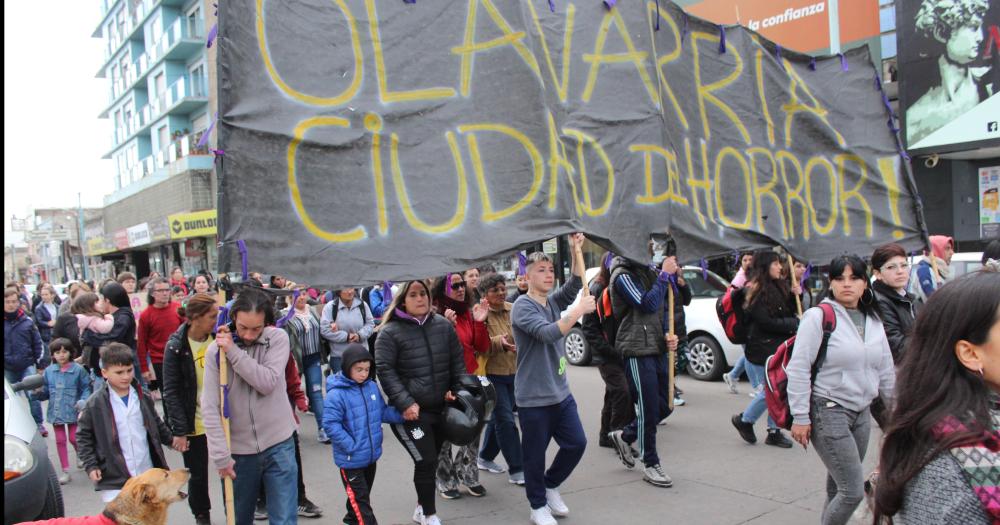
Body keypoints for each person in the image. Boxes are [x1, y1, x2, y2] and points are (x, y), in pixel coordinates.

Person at [873, 268, 999, 524]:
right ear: (971, 353)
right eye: (892, 266)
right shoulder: (951, 476)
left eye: (901, 265)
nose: (900, 271)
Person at [788, 255, 896, 525]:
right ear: (831, 282)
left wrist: (898, 410)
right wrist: (800, 416)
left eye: (854, 278)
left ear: (865, 282)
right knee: (852, 492)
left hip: (862, 412)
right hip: (829, 409)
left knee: (838, 487)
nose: (847, 284)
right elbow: (798, 368)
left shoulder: (873, 318)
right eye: (839, 278)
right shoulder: (818, 317)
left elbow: (885, 369)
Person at [512, 234, 594, 525]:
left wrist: (575, 249)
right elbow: (548, 334)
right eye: (541, 271)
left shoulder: (552, 302)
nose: (548, 275)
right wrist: (578, 311)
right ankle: (537, 506)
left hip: (561, 393)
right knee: (534, 455)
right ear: (527, 276)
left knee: (576, 444)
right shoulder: (523, 306)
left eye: (550, 270)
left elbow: (574, 283)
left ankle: (550, 486)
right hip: (533, 397)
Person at [201, 288, 298, 525]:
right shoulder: (216, 351)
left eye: (256, 328)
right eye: (243, 327)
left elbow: (267, 382)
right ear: (234, 318)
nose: (248, 335)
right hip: (238, 453)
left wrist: (234, 352)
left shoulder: (276, 339)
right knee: (239, 519)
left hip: (279, 444)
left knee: (284, 519)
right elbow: (210, 406)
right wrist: (220, 456)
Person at [375, 279, 467, 525]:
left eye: (423, 293)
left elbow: (457, 363)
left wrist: (455, 391)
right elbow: (385, 370)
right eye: (413, 294)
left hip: (441, 408)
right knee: (425, 459)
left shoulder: (443, 326)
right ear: (403, 300)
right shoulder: (389, 332)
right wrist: (405, 403)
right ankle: (429, 514)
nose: (420, 298)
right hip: (412, 414)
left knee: (432, 459)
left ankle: (420, 507)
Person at [605, 247, 679, 488]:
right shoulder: (623, 275)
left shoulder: (648, 271)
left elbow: (660, 309)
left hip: (655, 345)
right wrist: (663, 276)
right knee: (647, 409)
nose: (651, 250)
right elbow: (646, 304)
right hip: (636, 349)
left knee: (665, 405)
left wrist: (668, 336)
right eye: (646, 246)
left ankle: (625, 435)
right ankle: (650, 463)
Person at [77, 343, 179, 503]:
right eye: (119, 372)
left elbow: (155, 423)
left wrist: (172, 440)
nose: (125, 376)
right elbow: (84, 437)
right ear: (104, 372)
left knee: (150, 513)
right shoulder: (95, 404)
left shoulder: (143, 397)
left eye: (129, 370)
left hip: (146, 468)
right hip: (115, 475)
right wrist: (91, 465)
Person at [323, 344, 405, 525]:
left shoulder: (371, 387)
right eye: (358, 369)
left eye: (367, 369)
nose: (363, 373)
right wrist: (351, 445)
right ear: (347, 367)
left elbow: (382, 412)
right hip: (351, 459)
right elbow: (330, 424)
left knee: (361, 496)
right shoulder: (336, 394)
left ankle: (350, 520)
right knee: (362, 503)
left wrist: (404, 415)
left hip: (370, 456)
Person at [730, 250, 799, 449]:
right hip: (762, 348)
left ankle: (773, 430)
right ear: (765, 266)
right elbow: (766, 321)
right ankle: (746, 420)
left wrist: (798, 296)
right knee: (773, 390)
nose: (780, 267)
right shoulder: (756, 290)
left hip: (777, 347)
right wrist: (795, 323)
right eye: (776, 264)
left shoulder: (779, 286)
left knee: (776, 390)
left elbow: (792, 310)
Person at [431, 272, 490, 499]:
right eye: (455, 285)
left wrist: (480, 322)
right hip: (445, 383)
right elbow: (433, 352)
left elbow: (482, 347)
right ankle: (444, 477)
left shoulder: (467, 311)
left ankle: (467, 473)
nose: (460, 288)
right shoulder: (434, 314)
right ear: (443, 288)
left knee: (473, 430)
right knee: (447, 433)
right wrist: (444, 325)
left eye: (462, 284)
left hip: (470, 380)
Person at [161, 293, 218, 525]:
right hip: (193, 422)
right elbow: (171, 391)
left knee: (231, 468)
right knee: (197, 474)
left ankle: (236, 509)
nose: (216, 321)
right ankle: (202, 514)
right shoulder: (176, 347)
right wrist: (179, 430)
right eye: (212, 316)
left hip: (221, 418)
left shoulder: (219, 338)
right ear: (195, 317)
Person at [906, 0, 993, 145]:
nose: (981, 37)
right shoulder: (914, 120)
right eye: (973, 28)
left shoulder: (990, 87)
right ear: (941, 33)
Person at [582, 254, 636, 450]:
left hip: (622, 350)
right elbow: (589, 328)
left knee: (613, 394)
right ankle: (617, 435)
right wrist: (610, 350)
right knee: (623, 392)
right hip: (607, 354)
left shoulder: (620, 285)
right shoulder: (597, 288)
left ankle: (605, 436)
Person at [476, 273, 525, 485]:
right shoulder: (480, 314)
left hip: (514, 373)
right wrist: (498, 342)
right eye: (495, 289)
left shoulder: (513, 309)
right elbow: (479, 345)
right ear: (484, 294)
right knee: (506, 420)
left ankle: (485, 457)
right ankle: (518, 469)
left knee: (499, 418)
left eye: (503, 288)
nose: (501, 292)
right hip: (491, 376)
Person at [34, 338, 91, 484]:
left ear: (71, 353)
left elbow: (86, 388)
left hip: (74, 410)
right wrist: (37, 393)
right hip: (56, 412)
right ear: (52, 355)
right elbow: (46, 391)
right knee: (60, 440)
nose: (61, 355)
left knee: (74, 438)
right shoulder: (49, 371)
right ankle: (66, 470)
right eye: (57, 352)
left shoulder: (78, 370)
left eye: (64, 351)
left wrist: (83, 401)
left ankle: (81, 455)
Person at [282, 285, 328, 443]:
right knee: (292, 394)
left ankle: (323, 429)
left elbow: (324, 329)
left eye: (303, 293)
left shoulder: (314, 310)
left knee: (316, 392)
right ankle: (291, 429)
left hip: (313, 357)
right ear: (290, 297)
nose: (301, 297)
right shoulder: (285, 315)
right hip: (294, 360)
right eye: (297, 294)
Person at [81, 281, 141, 389]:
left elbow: (112, 338)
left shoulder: (123, 316)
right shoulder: (113, 316)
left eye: (101, 300)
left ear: (107, 300)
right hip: (108, 368)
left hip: (120, 367)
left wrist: (89, 336)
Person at [5, 287, 46, 434]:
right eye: (7, 302)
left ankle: (39, 424)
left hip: (26, 365)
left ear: (19, 302)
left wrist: (40, 364)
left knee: (33, 395)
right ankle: (12, 428)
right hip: (7, 367)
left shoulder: (27, 321)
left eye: (14, 301)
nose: (11, 305)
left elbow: (38, 343)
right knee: (8, 400)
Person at [871, 243, 920, 361]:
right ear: (877, 274)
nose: (900, 271)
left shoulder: (910, 299)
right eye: (891, 267)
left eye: (904, 265)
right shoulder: (880, 302)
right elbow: (897, 347)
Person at [137, 278, 183, 401]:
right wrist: (144, 369)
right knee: (169, 396)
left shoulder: (178, 308)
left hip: (181, 357)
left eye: (167, 290)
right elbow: (141, 343)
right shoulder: (146, 315)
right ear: (152, 293)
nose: (165, 293)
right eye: (160, 290)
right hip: (160, 361)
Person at [321, 288, 375, 375]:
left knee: (360, 385)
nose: (350, 292)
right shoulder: (330, 307)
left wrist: (359, 335)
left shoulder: (362, 305)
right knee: (342, 386)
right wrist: (346, 337)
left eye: (351, 288)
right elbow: (325, 330)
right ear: (338, 291)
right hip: (339, 357)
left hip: (361, 356)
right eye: (345, 289)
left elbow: (370, 324)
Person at [723, 251, 754, 395]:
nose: (747, 262)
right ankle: (757, 386)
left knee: (750, 352)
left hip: (751, 320)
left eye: (750, 259)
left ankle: (733, 375)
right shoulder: (740, 279)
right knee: (750, 354)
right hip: (742, 321)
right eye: (745, 260)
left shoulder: (752, 276)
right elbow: (733, 301)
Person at [911, 234, 955, 303]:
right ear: (935, 251)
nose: (952, 252)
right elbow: (932, 303)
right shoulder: (924, 271)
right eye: (947, 249)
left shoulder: (939, 272)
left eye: (951, 249)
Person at [33, 284, 59, 349]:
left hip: (57, 333)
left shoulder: (57, 306)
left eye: (46, 294)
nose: (44, 296)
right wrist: (48, 323)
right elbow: (39, 321)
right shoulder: (39, 308)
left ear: (52, 295)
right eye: (42, 295)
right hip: (46, 335)